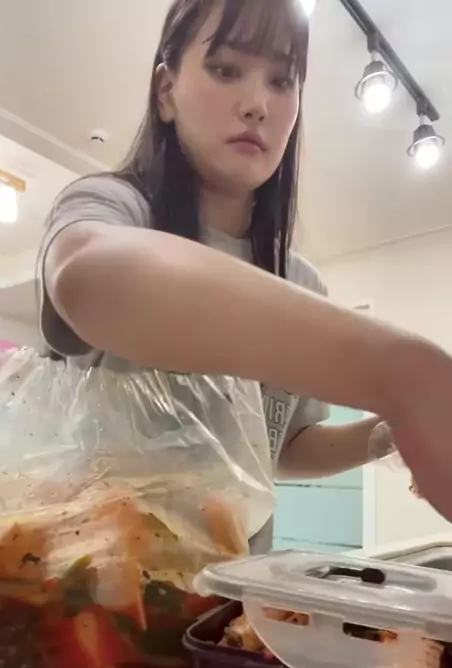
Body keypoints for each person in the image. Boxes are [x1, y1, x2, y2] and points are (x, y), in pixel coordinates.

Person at [38, 0, 452, 546]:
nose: (257, 104)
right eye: (226, 69)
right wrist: (406, 375)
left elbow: (279, 448)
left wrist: (382, 435)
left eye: (281, 81)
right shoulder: (113, 207)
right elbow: (87, 276)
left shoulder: (299, 282)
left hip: (234, 589)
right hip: (98, 581)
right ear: (166, 92)